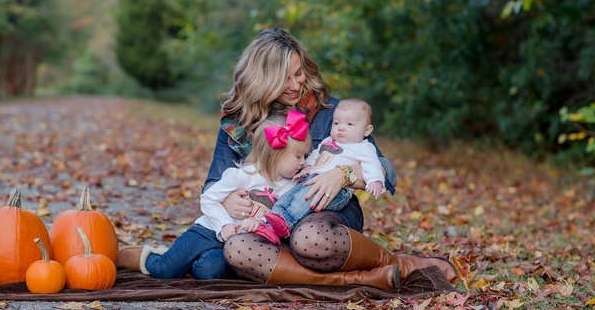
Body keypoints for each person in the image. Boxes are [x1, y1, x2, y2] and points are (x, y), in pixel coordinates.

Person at [214, 27, 457, 289]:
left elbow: (386, 169)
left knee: (308, 238)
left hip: (326, 214)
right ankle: (361, 279)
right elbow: (213, 183)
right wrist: (227, 199)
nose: (296, 84)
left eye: (299, 73)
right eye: (285, 79)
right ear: (262, 79)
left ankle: (399, 263)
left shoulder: (333, 111)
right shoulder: (238, 124)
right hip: (266, 218)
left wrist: (343, 174)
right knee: (236, 249)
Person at [116, 112, 312, 279]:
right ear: (274, 154)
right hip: (209, 230)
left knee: (207, 272)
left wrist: (259, 222)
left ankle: (193, 261)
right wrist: (224, 224)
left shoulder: (290, 187)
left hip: (237, 246)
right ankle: (152, 257)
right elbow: (208, 198)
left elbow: (281, 217)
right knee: (166, 270)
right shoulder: (244, 175)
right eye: (298, 156)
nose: (304, 161)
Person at [260, 97, 386, 243]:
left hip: (336, 192)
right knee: (288, 197)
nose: (341, 127)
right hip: (312, 180)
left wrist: (375, 180)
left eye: (350, 124)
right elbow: (315, 156)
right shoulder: (328, 141)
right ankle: (270, 223)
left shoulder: (363, 148)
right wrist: (307, 167)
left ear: (367, 130)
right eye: (336, 123)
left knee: (303, 201)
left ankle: (286, 222)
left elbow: (373, 164)